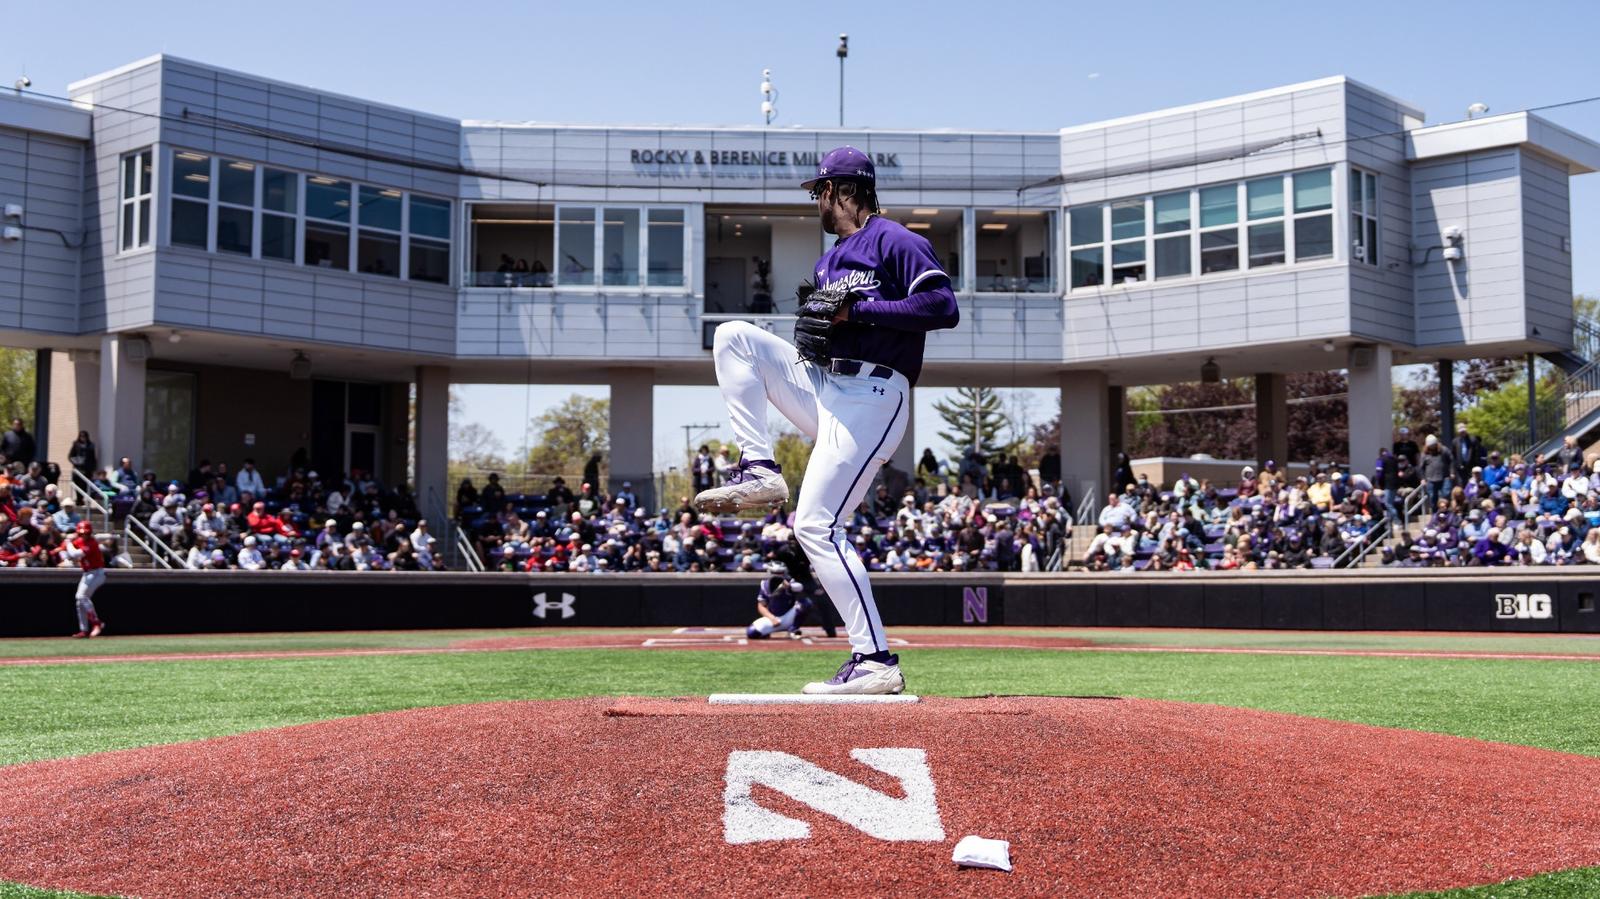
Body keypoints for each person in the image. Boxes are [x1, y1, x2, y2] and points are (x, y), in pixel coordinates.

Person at [692, 147, 958, 695]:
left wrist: (855, 313)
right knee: (733, 337)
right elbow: (829, 326)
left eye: (819, 191)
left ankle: (875, 661)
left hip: (875, 393)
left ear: (843, 190)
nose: (816, 200)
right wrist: (822, 332)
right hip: (828, 383)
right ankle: (759, 467)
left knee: (815, 525)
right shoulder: (828, 260)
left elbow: (942, 307)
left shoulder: (894, 240)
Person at [58, 521, 107, 637]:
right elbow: (65, 551)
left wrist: (68, 542)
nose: (83, 535)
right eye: (81, 533)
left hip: (97, 573)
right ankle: (84, 630)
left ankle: (97, 623)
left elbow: (75, 554)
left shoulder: (92, 543)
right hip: (87, 574)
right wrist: (64, 551)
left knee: (81, 596)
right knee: (79, 602)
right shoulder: (80, 541)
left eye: (86, 533)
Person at [746, 562, 814, 639]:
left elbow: (800, 587)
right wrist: (772, 618)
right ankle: (766, 633)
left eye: (780, 573)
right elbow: (761, 605)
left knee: (806, 603)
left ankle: (793, 629)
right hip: (773, 618)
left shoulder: (790, 582)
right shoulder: (764, 584)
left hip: (788, 617)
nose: (777, 575)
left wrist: (789, 587)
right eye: (775, 572)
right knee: (752, 633)